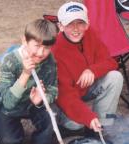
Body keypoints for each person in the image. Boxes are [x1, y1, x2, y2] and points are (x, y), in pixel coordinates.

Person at [51, 1, 123, 136]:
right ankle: (64, 126)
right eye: (70, 24)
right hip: (65, 99)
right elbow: (65, 96)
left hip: (85, 88)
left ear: (87, 23)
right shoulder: (56, 51)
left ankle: (99, 127)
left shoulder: (89, 33)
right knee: (75, 125)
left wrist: (92, 70)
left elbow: (110, 62)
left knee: (115, 77)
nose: (76, 29)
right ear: (60, 26)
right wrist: (88, 117)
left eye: (80, 23)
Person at [0, 19, 58, 144]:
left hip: (32, 104)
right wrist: (25, 74)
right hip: (8, 107)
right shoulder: (9, 61)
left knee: (52, 115)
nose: (41, 53)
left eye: (47, 48)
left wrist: (42, 99)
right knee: (9, 141)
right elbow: (8, 103)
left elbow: (53, 89)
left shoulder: (50, 61)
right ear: (24, 40)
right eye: (37, 46)